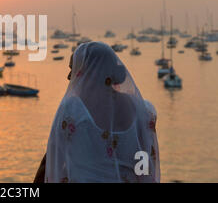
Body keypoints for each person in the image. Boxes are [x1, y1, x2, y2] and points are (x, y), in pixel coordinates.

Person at [34, 42, 160, 183]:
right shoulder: (143, 111)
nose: (69, 76)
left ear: (90, 71)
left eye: (74, 69)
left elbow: (54, 164)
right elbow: (144, 164)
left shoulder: (72, 110)